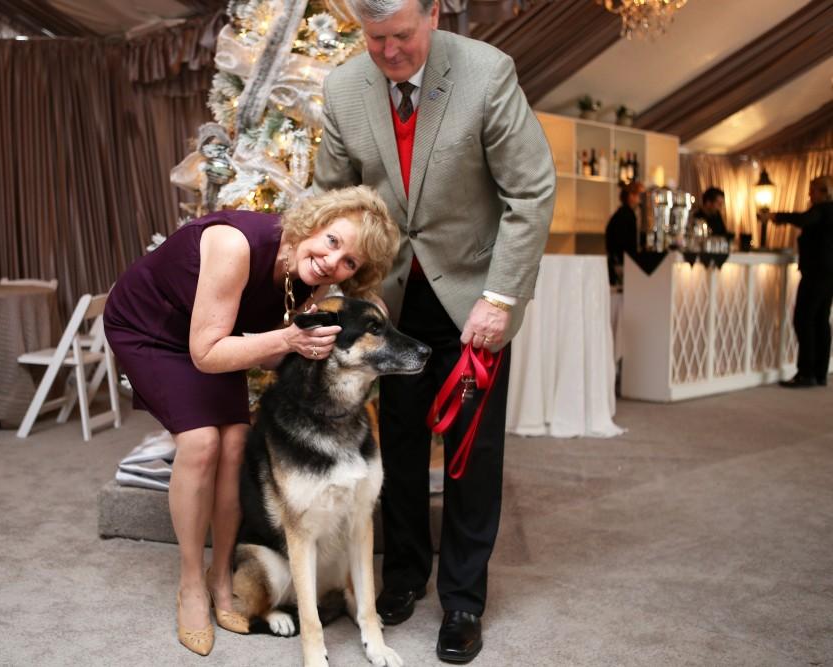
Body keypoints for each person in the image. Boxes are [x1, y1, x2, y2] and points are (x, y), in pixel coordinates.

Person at [312, 0, 555, 662]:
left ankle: (465, 599)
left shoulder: (488, 73)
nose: (388, 52)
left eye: (401, 36)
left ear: (434, 15)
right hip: (389, 303)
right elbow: (331, 196)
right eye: (374, 38)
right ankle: (404, 575)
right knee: (400, 443)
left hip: (475, 302)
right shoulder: (341, 88)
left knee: (471, 457)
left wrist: (501, 297)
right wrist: (335, 285)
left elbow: (530, 192)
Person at [102, 185, 399, 656]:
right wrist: (289, 342)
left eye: (349, 263)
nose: (331, 262)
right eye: (332, 241)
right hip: (152, 327)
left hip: (216, 336)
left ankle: (222, 578)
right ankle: (191, 586)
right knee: (201, 443)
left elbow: (263, 356)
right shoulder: (234, 245)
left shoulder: (313, 278)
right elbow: (206, 353)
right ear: (316, 223)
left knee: (237, 442)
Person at [766, 175, 833, 388]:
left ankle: (806, 373)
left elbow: (804, 219)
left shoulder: (822, 210)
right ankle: (819, 373)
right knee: (820, 321)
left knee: (804, 320)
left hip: (817, 273)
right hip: (828, 274)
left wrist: (776, 216)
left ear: (824, 192)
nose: (809, 195)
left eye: (812, 191)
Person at [605, 180, 645, 288]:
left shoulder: (621, 213)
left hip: (617, 261)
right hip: (621, 263)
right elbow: (628, 243)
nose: (641, 200)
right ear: (631, 196)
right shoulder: (627, 216)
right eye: (639, 195)